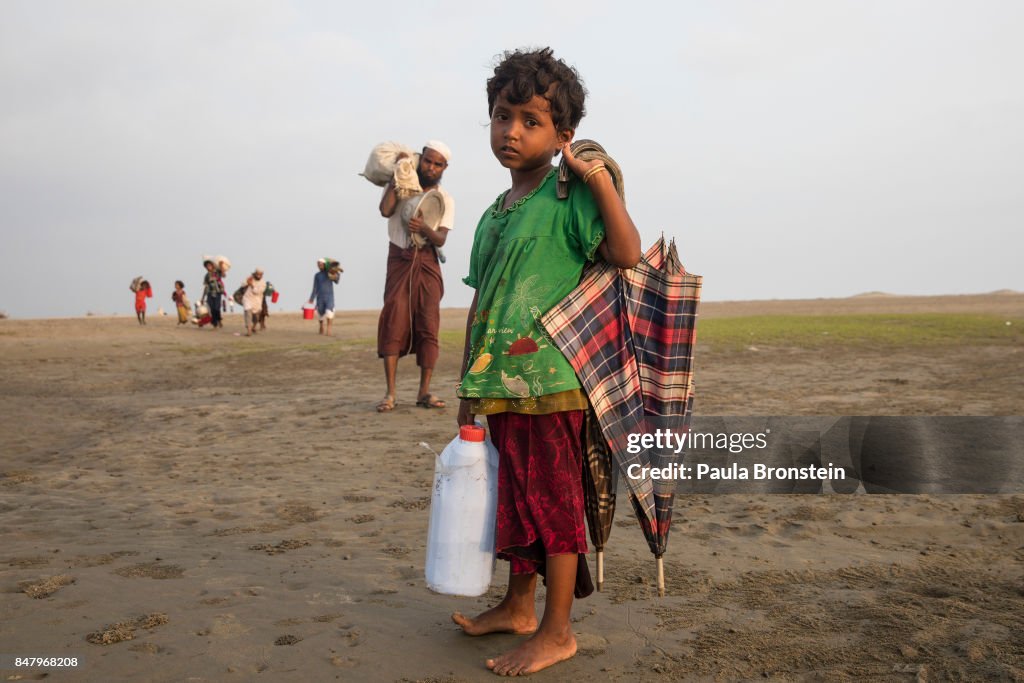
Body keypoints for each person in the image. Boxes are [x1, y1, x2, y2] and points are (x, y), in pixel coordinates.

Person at [451, 48, 641, 676]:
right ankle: (518, 606)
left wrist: (598, 180)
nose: (511, 131)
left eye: (530, 121)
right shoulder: (492, 215)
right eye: (502, 117)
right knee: (516, 501)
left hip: (556, 382)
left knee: (555, 504)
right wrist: (468, 380)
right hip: (497, 382)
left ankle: (558, 631)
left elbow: (626, 252)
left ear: (563, 136)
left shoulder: (569, 199)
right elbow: (483, 300)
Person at [376, 140, 455, 412]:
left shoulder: (444, 199)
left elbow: (441, 238)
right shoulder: (404, 183)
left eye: (438, 164)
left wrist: (424, 228)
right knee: (394, 317)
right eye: (428, 161)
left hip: (427, 261)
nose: (431, 167)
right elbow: (385, 210)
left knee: (428, 322)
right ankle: (390, 393)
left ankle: (424, 391)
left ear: (445, 168)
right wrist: (398, 173)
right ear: (420, 159)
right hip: (399, 257)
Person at [308, 258, 338, 336]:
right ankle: (321, 326)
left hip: (329, 296)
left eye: (321, 264)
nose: (319, 266)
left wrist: (335, 274)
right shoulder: (317, 275)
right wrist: (311, 298)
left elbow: (337, 281)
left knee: (329, 313)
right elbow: (315, 288)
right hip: (320, 297)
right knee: (320, 313)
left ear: (325, 265)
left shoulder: (330, 273)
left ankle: (329, 330)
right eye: (318, 264)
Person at [241, 268, 267, 336]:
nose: (258, 275)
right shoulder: (250, 278)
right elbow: (242, 284)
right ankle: (249, 330)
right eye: (257, 274)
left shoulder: (263, 283)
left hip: (257, 301)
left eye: (260, 274)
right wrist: (247, 282)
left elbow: (258, 292)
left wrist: (252, 285)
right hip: (248, 299)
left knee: (256, 317)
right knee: (248, 314)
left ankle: (253, 327)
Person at [201, 259, 225, 329]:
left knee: (217, 308)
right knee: (211, 309)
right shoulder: (206, 276)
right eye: (207, 266)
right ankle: (215, 323)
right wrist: (202, 297)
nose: (208, 267)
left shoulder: (217, 272)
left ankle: (219, 320)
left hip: (218, 293)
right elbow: (205, 287)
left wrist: (221, 266)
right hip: (209, 294)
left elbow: (223, 275)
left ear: (212, 266)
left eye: (209, 265)